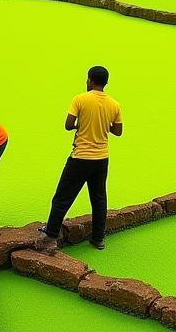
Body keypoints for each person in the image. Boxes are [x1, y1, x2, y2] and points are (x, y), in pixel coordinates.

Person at [37, 65, 123, 253]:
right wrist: (101, 123)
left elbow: (68, 125)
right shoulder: (114, 104)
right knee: (99, 198)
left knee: (61, 198)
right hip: (101, 158)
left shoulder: (80, 99)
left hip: (81, 157)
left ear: (90, 80)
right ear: (106, 83)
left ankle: (50, 236)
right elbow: (118, 131)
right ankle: (98, 238)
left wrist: (81, 125)